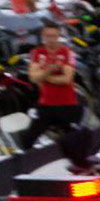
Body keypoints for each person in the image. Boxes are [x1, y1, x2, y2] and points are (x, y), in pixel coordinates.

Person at [22, 23, 82, 152]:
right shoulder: (37, 52)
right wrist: (49, 70)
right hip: (45, 105)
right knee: (27, 140)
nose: (51, 40)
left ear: (59, 36)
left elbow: (67, 79)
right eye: (48, 36)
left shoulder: (67, 53)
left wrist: (43, 76)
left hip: (67, 104)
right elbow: (32, 78)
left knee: (75, 141)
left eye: (54, 36)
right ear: (43, 36)